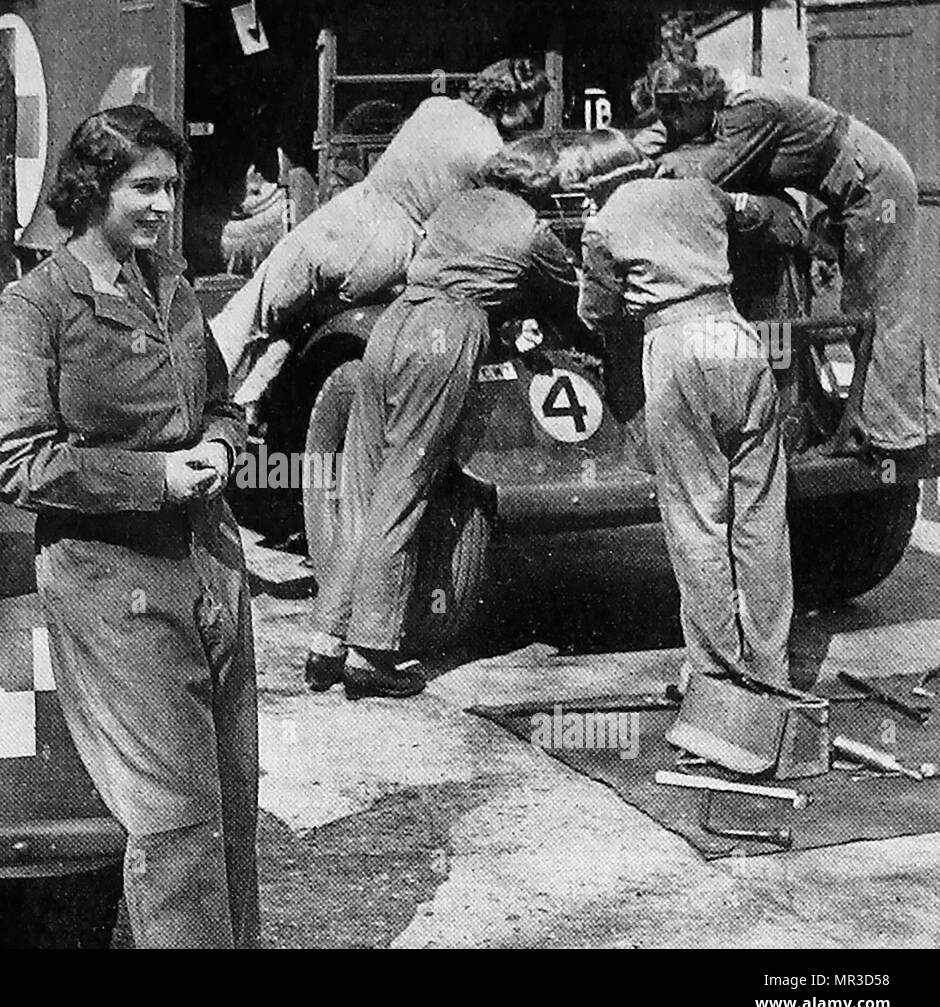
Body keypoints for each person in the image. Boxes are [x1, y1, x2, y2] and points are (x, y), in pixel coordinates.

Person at [0, 106, 258, 948]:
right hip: (110, 582)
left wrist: (220, 446)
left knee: (229, 799)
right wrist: (156, 475)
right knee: (173, 821)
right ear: (92, 189)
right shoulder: (32, 312)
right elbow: (14, 462)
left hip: (210, 563)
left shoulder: (169, 288)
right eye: (146, 187)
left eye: (173, 186)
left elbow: (224, 404)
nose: (166, 205)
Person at [306, 137, 576, 699]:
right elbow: (571, 295)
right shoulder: (532, 229)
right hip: (446, 333)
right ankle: (371, 653)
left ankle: (326, 643)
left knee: (361, 487)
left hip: (391, 325)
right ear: (538, 186)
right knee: (403, 493)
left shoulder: (451, 205)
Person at [634, 57, 939, 475]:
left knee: (880, 309)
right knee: (867, 310)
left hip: (875, 190)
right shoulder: (717, 101)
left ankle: (896, 441)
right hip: (847, 189)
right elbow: (664, 138)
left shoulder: (750, 109)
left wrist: (646, 167)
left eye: (673, 116)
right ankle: (902, 424)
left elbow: (706, 175)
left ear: (691, 104)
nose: (670, 127)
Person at [568, 128, 792, 688]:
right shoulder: (702, 192)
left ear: (601, 180)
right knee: (761, 516)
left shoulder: (603, 222)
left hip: (677, 348)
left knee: (698, 518)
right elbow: (764, 218)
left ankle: (718, 679)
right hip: (738, 339)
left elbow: (595, 312)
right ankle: (771, 670)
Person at [209, 57, 552, 411]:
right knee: (301, 323)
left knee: (250, 314)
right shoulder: (492, 153)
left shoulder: (435, 107)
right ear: (509, 101)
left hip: (351, 219)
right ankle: (247, 406)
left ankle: (199, 404)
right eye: (532, 105)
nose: (533, 116)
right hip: (395, 255)